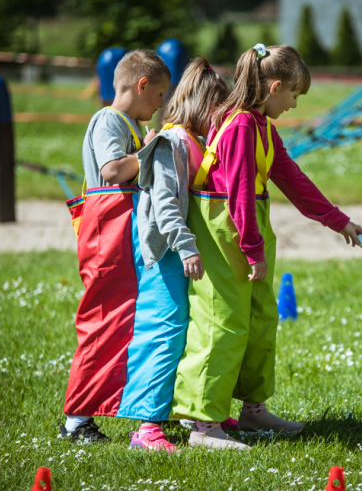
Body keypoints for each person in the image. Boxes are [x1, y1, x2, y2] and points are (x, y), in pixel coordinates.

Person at [172, 44, 362, 450]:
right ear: (274, 86)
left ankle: (252, 410)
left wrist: (338, 220)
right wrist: (253, 251)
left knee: (261, 318)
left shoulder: (263, 127)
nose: (295, 104)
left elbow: (294, 181)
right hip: (225, 231)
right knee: (221, 322)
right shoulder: (241, 126)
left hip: (248, 229)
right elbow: (239, 195)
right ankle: (202, 425)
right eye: (294, 95)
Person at [60, 49, 169, 444]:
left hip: (124, 235)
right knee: (102, 322)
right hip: (105, 236)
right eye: (159, 95)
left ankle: (130, 406)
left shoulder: (131, 126)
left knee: (124, 324)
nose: (160, 104)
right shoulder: (109, 120)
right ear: (141, 86)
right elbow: (112, 170)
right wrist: (150, 150)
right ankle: (75, 421)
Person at [127, 56, 231, 452]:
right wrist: (187, 246)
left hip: (177, 255)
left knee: (184, 333)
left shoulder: (192, 142)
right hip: (165, 256)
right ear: (203, 107)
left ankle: (188, 411)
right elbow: (166, 205)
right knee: (162, 335)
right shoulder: (171, 143)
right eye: (218, 113)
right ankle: (146, 429)